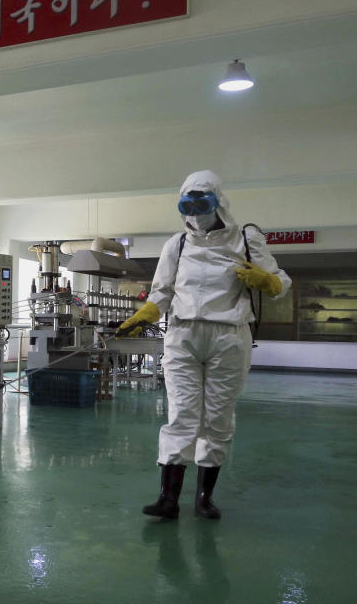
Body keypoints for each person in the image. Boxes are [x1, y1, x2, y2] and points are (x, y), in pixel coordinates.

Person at [120, 170, 290, 520]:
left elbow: (282, 282)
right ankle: (168, 499)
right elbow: (161, 294)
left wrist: (267, 280)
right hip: (182, 336)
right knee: (181, 415)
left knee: (217, 418)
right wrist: (144, 315)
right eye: (188, 203)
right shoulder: (177, 244)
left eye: (203, 201)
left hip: (229, 336)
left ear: (219, 202)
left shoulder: (246, 238)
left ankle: (204, 497)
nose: (195, 211)